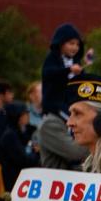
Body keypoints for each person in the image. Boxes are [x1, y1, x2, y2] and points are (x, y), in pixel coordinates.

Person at [38, 23, 92, 170]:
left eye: (77, 44)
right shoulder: (52, 59)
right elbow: (49, 74)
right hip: (55, 107)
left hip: (67, 106)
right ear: (60, 43)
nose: (74, 47)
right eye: (71, 43)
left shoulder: (76, 62)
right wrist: (67, 70)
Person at [0, 102, 40, 188]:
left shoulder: (22, 132)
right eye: (24, 113)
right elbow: (23, 160)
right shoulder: (10, 136)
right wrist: (37, 153)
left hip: (21, 180)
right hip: (14, 183)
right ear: (17, 116)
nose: (28, 115)